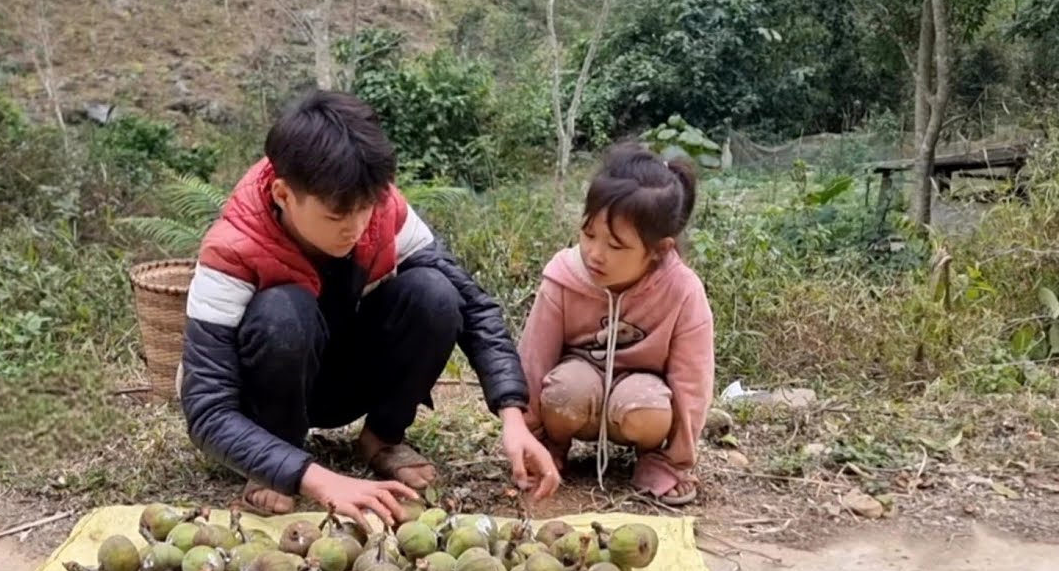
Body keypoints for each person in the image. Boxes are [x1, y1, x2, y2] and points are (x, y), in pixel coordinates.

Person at [178, 89, 559, 528]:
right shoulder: (232, 249)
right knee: (283, 313)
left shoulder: (381, 209)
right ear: (283, 194)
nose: (357, 228)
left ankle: (382, 438)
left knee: (435, 293)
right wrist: (318, 480)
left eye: (365, 209)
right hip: (270, 384)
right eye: (337, 217)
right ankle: (277, 456)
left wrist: (513, 415)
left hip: (340, 373)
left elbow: (472, 306)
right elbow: (208, 409)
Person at [516, 141, 715, 506]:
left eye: (616, 245)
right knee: (565, 391)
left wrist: (679, 459)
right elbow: (533, 362)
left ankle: (653, 461)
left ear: (660, 249)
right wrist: (530, 438)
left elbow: (692, 382)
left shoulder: (683, 291)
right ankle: (552, 448)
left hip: (639, 406)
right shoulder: (563, 277)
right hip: (577, 396)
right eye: (589, 234)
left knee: (646, 405)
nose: (595, 253)